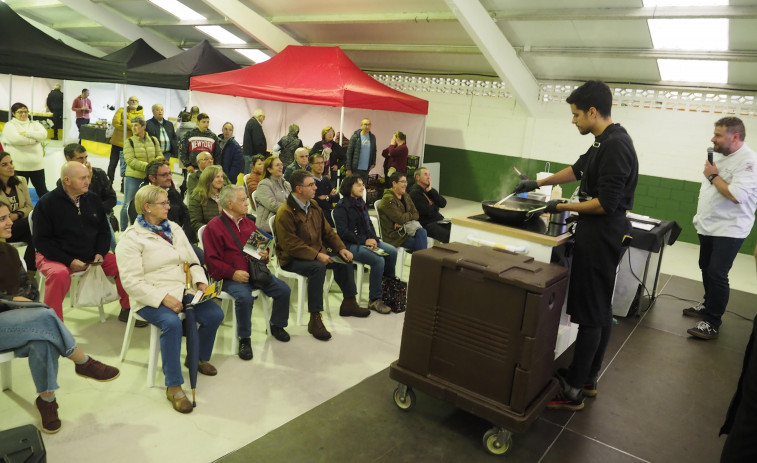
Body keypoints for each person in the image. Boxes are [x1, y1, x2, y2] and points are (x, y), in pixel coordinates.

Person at [514, 80, 639, 411]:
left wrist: (561, 207)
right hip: (597, 232)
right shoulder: (603, 142)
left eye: (576, 115)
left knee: (590, 314)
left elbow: (606, 203)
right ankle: (586, 377)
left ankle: (572, 391)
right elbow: (577, 169)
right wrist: (537, 183)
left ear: (593, 112)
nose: (573, 121)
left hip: (602, 234)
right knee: (598, 310)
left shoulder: (616, 146)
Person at [1, 203, 120, 434]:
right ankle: (82, 361)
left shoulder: (10, 252)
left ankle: (46, 401)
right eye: (2, 219)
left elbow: (30, 290)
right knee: (45, 316)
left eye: (8, 217)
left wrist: (23, 304)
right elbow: (15, 295)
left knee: (43, 338)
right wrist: (13, 301)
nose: (10, 222)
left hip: (20, 322)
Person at [116, 185, 223, 414]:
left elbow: (193, 261)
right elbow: (131, 282)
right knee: (172, 323)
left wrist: (201, 283)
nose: (169, 206)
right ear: (147, 207)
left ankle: (197, 357)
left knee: (215, 314)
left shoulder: (173, 228)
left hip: (182, 288)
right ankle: (173, 385)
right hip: (150, 295)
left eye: (167, 202)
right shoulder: (131, 239)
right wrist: (162, 298)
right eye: (163, 203)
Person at [683, 117, 757, 340]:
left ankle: (713, 321)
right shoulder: (721, 157)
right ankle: (708, 304)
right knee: (705, 266)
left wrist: (713, 175)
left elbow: (736, 195)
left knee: (717, 271)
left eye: (718, 135)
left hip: (730, 228)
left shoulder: (749, 162)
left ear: (734, 137)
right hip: (709, 225)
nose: (712, 138)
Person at [274, 170, 369, 341]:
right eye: (311, 185)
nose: (315, 187)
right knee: (317, 269)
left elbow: (328, 232)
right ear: (298, 189)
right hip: (292, 258)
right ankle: (315, 318)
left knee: (344, 259)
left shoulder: (314, 206)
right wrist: (317, 255)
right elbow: (291, 245)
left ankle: (349, 302)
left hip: (316, 252)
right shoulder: (286, 211)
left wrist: (341, 248)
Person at [33, 162, 132, 322]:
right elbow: (41, 241)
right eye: (82, 178)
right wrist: (69, 261)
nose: (88, 181)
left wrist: (100, 252)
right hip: (56, 257)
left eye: (88, 177)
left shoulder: (92, 199)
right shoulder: (47, 203)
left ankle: (127, 308)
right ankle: (53, 322)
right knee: (59, 275)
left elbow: (104, 231)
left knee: (124, 264)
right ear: (67, 180)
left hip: (91, 256)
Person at [203, 185, 292, 360]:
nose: (247, 203)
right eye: (243, 200)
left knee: (284, 290)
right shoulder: (214, 227)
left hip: (253, 272)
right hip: (229, 277)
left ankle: (276, 325)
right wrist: (233, 273)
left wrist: (264, 256)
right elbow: (212, 262)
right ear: (229, 204)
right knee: (244, 298)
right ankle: (244, 338)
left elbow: (258, 252)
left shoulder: (249, 223)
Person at [333, 175, 397, 314]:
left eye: (363, 184)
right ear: (349, 188)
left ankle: (388, 290)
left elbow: (369, 225)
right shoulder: (341, 207)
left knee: (392, 251)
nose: (363, 188)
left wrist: (374, 239)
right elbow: (343, 233)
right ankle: (374, 299)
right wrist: (364, 241)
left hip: (366, 241)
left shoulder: (360, 203)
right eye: (358, 185)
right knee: (378, 260)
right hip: (349, 245)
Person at [61, 144, 118, 248]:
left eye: (86, 157)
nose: (84, 161)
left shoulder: (99, 174)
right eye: (80, 158)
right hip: (78, 216)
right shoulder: (65, 181)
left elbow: (112, 198)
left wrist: (97, 211)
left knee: (101, 219)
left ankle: (113, 251)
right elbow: (80, 202)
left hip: (102, 213)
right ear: (68, 159)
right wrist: (89, 180)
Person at [120, 115, 164, 231]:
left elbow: (159, 154)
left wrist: (158, 161)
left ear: (144, 126)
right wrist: (149, 166)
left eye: (136, 125)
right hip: (134, 177)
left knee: (148, 204)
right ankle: (123, 229)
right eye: (132, 126)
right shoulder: (129, 142)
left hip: (150, 178)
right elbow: (130, 160)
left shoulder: (154, 140)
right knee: (127, 204)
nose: (133, 128)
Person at [2, 103, 49, 197]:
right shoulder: (9, 125)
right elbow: (16, 139)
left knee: (42, 191)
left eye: (25, 111)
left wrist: (26, 133)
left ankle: (47, 211)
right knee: (18, 193)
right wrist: (34, 139)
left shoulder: (35, 124)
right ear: (13, 113)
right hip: (19, 167)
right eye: (20, 112)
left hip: (37, 166)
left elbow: (43, 134)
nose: (23, 114)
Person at [0, 152, 36, 272]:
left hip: (20, 224)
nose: (11, 166)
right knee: (33, 224)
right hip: (4, 228)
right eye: (4, 164)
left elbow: (30, 207)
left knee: (30, 234)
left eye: (11, 162)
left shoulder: (21, 181)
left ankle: (28, 272)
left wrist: (16, 215)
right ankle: (28, 274)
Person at [377, 172, 428, 252]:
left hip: (406, 231)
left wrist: (403, 221)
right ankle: (422, 263)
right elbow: (401, 219)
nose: (405, 184)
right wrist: (407, 217)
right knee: (421, 243)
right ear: (394, 183)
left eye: (406, 182)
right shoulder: (388, 199)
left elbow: (416, 214)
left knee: (422, 232)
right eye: (403, 182)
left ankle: (420, 262)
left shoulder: (405, 196)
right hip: (395, 236)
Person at [107, 96, 144, 187]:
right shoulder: (121, 110)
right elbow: (115, 122)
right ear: (128, 102)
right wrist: (129, 128)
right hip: (117, 143)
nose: (133, 102)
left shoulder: (141, 115)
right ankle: (108, 184)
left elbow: (138, 127)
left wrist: (124, 121)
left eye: (135, 100)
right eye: (131, 100)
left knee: (127, 167)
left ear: (138, 102)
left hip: (130, 145)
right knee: (112, 165)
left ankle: (124, 186)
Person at [408, 166, 450, 243]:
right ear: (418, 177)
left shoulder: (429, 190)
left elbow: (443, 203)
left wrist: (431, 191)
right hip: (427, 224)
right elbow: (428, 212)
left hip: (438, 220)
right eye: (425, 174)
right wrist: (435, 207)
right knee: (449, 235)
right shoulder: (414, 193)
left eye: (429, 175)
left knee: (456, 230)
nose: (429, 177)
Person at [179, 113, 220, 183]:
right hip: (192, 169)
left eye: (208, 122)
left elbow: (217, 154)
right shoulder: (189, 134)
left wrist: (215, 168)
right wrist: (187, 165)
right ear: (197, 122)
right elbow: (183, 152)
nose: (206, 124)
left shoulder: (213, 136)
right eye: (203, 122)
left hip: (208, 170)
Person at [188, 165, 225, 240]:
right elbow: (195, 223)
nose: (221, 180)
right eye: (217, 177)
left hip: (226, 231)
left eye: (222, 177)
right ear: (208, 179)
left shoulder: (224, 194)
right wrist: (216, 231)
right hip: (211, 236)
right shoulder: (197, 197)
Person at [255, 157, 291, 233]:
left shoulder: (286, 184)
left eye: (281, 164)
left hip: (284, 219)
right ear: (269, 169)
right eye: (277, 165)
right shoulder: (264, 185)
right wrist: (292, 210)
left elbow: (294, 200)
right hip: (267, 225)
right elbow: (273, 205)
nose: (281, 167)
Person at [310, 153, 338, 227]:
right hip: (318, 213)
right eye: (318, 163)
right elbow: (315, 200)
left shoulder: (326, 179)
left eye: (322, 163)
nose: (321, 165)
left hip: (330, 210)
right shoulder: (309, 181)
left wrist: (327, 197)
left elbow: (336, 197)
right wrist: (330, 197)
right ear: (311, 165)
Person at [345, 118, 377, 184]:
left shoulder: (372, 137)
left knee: (363, 188)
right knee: (354, 186)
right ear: (361, 125)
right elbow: (349, 153)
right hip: (355, 168)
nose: (367, 126)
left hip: (366, 169)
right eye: (365, 124)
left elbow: (374, 151)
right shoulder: (355, 137)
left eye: (369, 124)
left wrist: (373, 163)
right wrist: (348, 168)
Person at [242, 109, 267, 174]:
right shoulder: (255, 124)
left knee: (247, 174)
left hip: (248, 153)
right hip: (252, 155)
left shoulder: (251, 122)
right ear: (259, 116)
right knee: (250, 175)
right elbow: (258, 141)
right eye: (263, 117)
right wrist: (260, 155)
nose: (263, 120)